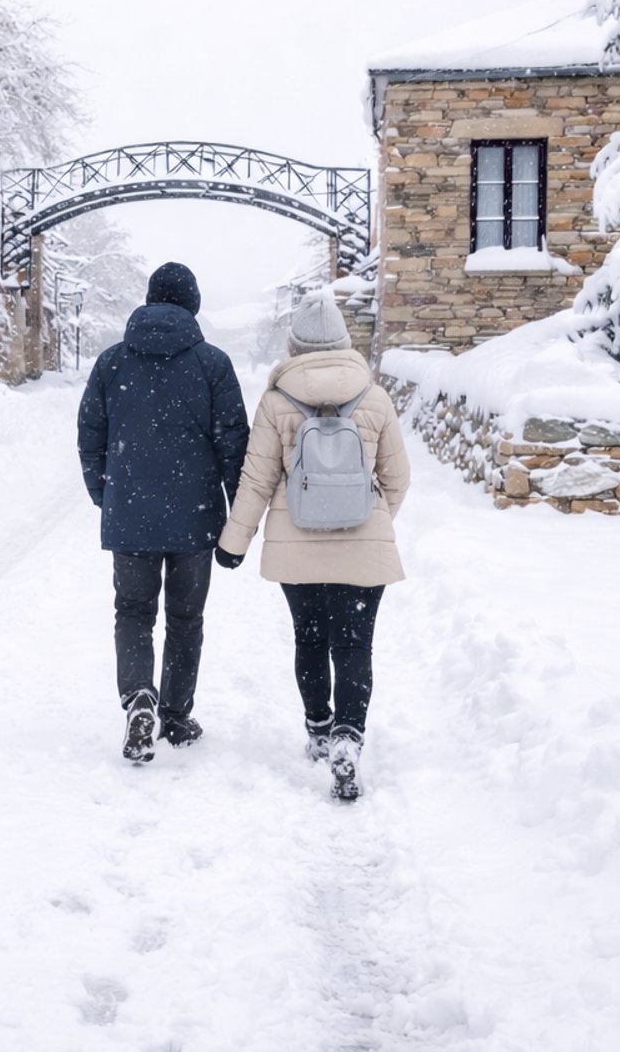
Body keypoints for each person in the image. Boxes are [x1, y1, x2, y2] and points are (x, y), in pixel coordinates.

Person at [215, 289, 409, 800]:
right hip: (363, 548)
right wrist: (370, 517)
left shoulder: (277, 400)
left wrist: (234, 542)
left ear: (294, 346)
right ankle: (349, 736)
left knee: (310, 638)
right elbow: (398, 477)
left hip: (295, 548)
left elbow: (255, 480)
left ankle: (319, 728)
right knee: (353, 644)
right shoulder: (374, 396)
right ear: (345, 343)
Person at [77, 262, 248, 764]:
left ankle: (138, 699)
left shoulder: (111, 363)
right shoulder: (213, 364)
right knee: (185, 618)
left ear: (150, 300)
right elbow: (234, 445)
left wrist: (105, 493)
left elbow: (90, 439)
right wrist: (238, 518)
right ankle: (174, 713)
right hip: (195, 519)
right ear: (192, 305)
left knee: (132, 612)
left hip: (129, 514)